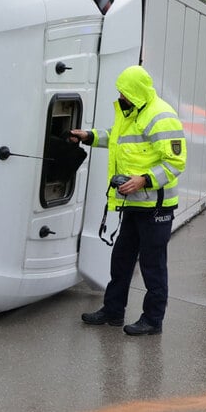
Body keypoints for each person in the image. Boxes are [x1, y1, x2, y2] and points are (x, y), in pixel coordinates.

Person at [69, 65, 186, 335]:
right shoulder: (131, 112)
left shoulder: (161, 116)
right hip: (133, 204)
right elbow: (116, 138)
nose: (121, 96)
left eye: (125, 92)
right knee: (121, 260)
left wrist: (144, 179)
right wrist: (88, 136)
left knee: (152, 265)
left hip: (156, 206)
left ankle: (153, 320)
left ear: (137, 92)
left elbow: (176, 162)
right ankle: (113, 311)